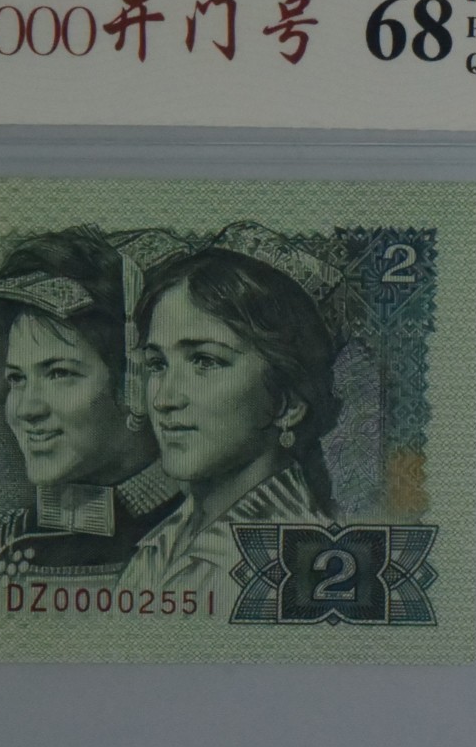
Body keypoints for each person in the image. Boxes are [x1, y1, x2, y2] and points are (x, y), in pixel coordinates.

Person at [0, 226, 184, 615]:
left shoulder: (212, 539)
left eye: (59, 373)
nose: (26, 409)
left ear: (135, 382)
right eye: (17, 379)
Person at [116, 243, 340, 602]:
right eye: (157, 364)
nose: (163, 399)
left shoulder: (301, 564)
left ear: (287, 403)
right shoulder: (161, 544)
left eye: (205, 361)